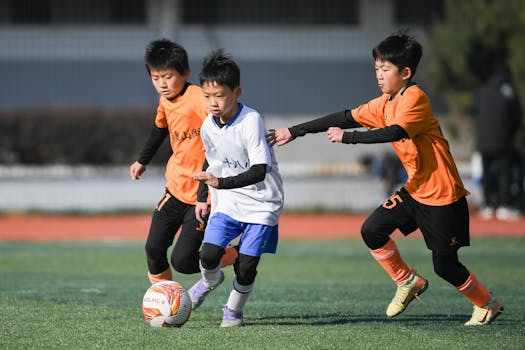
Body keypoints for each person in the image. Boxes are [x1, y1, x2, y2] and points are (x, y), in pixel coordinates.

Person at [267, 33, 502, 326]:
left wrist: (349, 139)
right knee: (372, 230)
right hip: (415, 190)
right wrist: (294, 130)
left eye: (385, 69)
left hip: (443, 195)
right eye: (376, 68)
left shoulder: (415, 98)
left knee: (445, 266)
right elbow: (345, 116)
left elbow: (396, 131)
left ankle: (486, 302)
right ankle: (408, 281)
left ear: (406, 73)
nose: (378, 75)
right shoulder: (386, 101)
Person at [187, 49, 284, 327]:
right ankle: (211, 281)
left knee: (246, 265)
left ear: (237, 92)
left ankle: (233, 311)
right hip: (227, 201)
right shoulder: (207, 125)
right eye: (207, 96)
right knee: (207, 255)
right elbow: (211, 161)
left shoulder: (251, 120)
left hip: (262, 203)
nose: (213, 102)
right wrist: (203, 197)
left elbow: (259, 170)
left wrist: (221, 183)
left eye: (220, 95)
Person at [129, 39, 237, 285]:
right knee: (153, 250)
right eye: (155, 78)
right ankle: (165, 300)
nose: (162, 84)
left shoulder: (201, 99)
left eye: (167, 77)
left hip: (204, 197)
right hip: (176, 189)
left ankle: (235, 255)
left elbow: (217, 146)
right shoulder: (165, 101)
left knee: (184, 262)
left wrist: (204, 195)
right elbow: (159, 130)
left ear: (185, 72)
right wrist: (142, 161)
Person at [471, 65, 522, 221]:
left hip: (483, 143)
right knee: (504, 174)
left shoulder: (481, 91)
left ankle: (489, 205)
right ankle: (504, 205)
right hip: (503, 141)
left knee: (487, 174)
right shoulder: (508, 91)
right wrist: (511, 134)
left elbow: (474, 111)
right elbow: (517, 115)